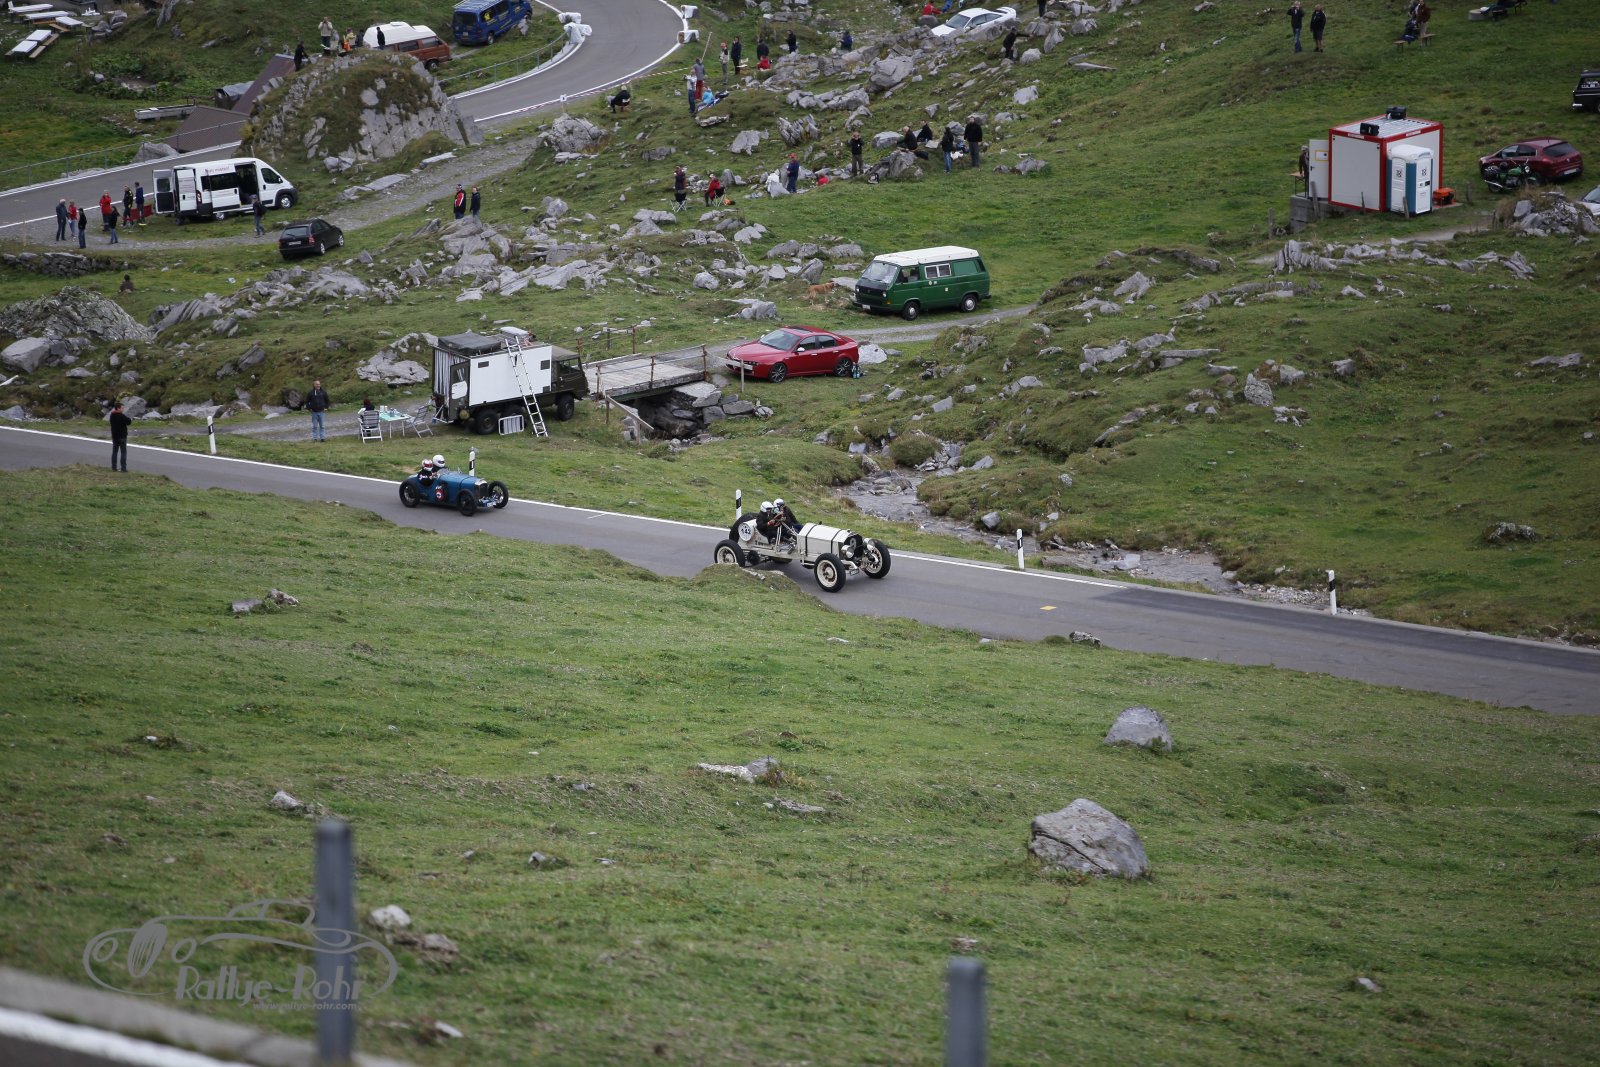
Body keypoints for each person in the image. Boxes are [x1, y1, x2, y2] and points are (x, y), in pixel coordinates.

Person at [109, 402, 130, 471]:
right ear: (118, 408)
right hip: (122, 437)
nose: (123, 409)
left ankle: (114, 467)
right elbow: (129, 422)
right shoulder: (121, 416)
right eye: (122, 408)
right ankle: (123, 468)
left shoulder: (112, 415)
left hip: (115, 436)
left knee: (114, 452)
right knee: (123, 452)